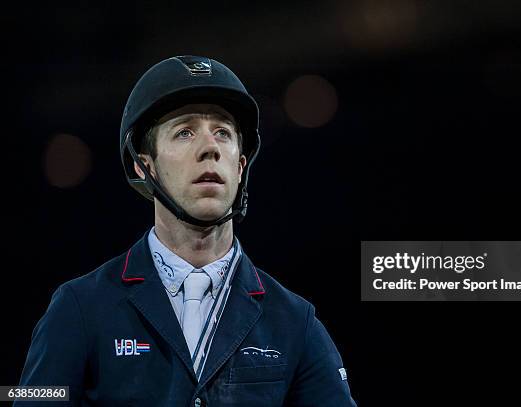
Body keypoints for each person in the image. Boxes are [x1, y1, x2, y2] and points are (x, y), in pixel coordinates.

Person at [17, 56, 357, 406]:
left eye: (223, 133)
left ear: (240, 166)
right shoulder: (78, 307)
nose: (210, 148)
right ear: (144, 165)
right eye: (185, 131)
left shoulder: (296, 321)